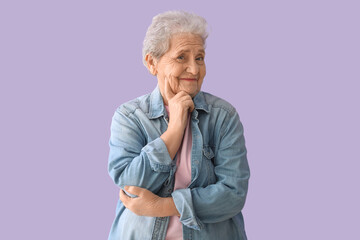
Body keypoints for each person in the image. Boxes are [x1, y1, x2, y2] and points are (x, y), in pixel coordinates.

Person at [107, 10, 250, 240]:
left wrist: (161, 206)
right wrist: (174, 130)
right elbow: (130, 184)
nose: (194, 69)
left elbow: (233, 194)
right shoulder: (129, 116)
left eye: (199, 58)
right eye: (181, 57)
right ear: (152, 63)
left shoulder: (223, 116)